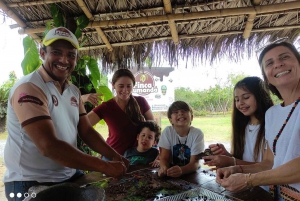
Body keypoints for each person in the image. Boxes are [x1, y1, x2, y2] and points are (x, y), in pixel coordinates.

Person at [3, 27, 128, 201]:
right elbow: (49, 146)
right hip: (30, 181)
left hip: (68, 175)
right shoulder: (29, 88)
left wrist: (116, 156)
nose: (64, 60)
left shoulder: (73, 91)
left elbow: (86, 131)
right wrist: (104, 166)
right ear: (42, 53)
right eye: (56, 52)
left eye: (71, 55)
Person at [216, 41, 300, 200]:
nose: (278, 64)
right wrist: (237, 169)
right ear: (266, 78)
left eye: (285, 57)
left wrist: (248, 180)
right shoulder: (272, 114)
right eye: (269, 63)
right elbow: (269, 163)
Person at [204, 77, 273, 171]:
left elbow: (268, 166)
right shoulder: (242, 126)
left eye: (246, 97)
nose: (240, 103)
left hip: (263, 184)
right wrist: (226, 155)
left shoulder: (272, 126)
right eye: (237, 100)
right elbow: (242, 160)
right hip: (241, 183)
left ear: (261, 96)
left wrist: (231, 161)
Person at [87, 69, 155, 156]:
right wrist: (82, 99)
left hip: (138, 158)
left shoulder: (141, 101)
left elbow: (154, 128)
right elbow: (82, 125)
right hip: (113, 158)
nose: (125, 90)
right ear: (113, 85)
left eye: (128, 86)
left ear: (133, 85)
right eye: (121, 86)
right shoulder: (106, 107)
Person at [158, 101, 204, 178]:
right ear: (170, 120)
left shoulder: (197, 133)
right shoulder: (167, 131)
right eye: (176, 112)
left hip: (192, 173)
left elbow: (195, 163)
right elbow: (164, 158)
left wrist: (181, 170)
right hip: (171, 171)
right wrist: (164, 168)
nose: (180, 114)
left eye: (184, 111)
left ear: (192, 117)